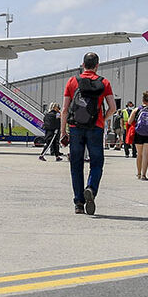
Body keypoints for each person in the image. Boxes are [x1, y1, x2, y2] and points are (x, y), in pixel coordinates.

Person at [60, 52, 114, 215]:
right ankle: (91, 188)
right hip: (95, 127)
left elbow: (64, 109)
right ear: (97, 65)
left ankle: (78, 203)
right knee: (97, 163)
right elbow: (113, 107)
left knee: (76, 164)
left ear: (83, 64)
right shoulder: (104, 82)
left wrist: (63, 131)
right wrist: (102, 119)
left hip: (75, 127)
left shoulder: (72, 81)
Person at [130, 92, 148, 181]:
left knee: (139, 154)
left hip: (138, 133)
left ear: (142, 100)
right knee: (146, 155)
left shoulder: (136, 110)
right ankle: (144, 175)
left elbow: (130, 121)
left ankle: (138, 173)